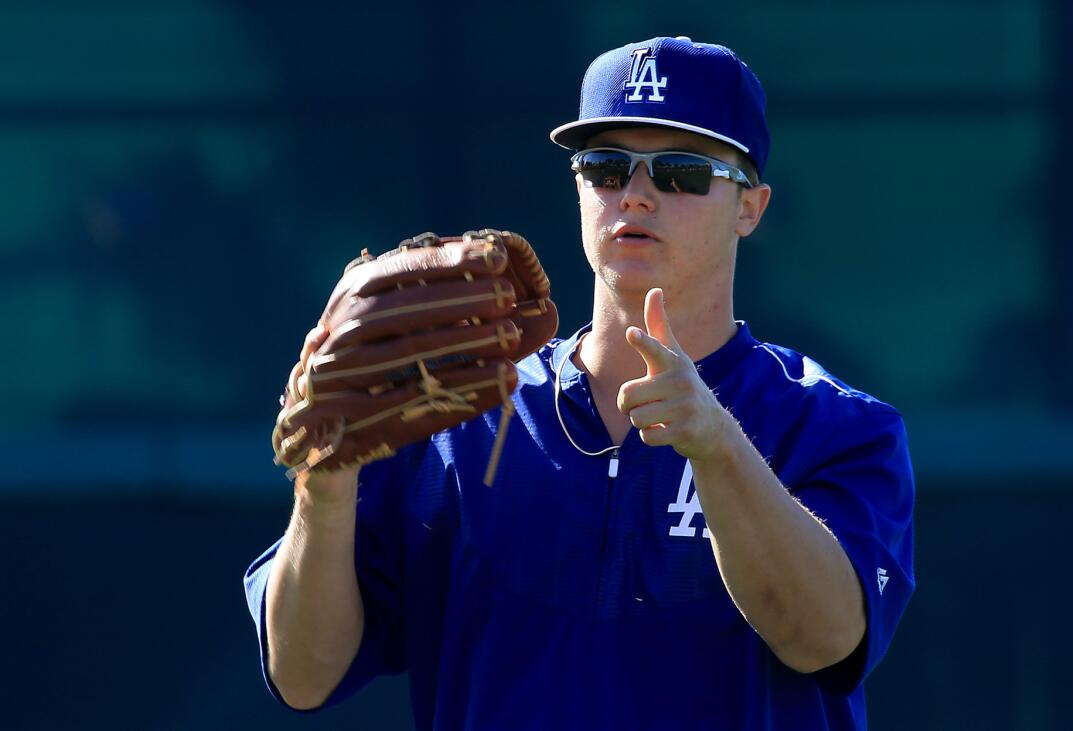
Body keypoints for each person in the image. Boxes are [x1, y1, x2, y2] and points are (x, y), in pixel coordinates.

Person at [244, 36, 915, 730]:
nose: (636, 194)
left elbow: (827, 639)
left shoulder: (830, 425)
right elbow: (301, 675)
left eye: (681, 171)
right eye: (605, 166)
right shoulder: (457, 413)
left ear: (751, 206)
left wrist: (717, 447)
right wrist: (323, 493)